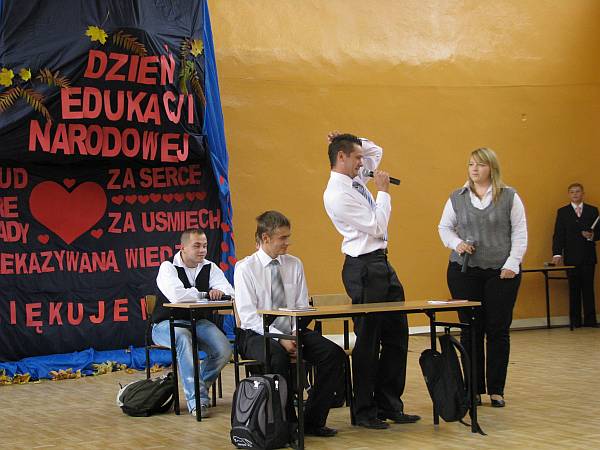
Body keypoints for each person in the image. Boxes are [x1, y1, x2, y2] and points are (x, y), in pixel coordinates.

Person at [323, 132, 420, 429]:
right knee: (368, 339)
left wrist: (350, 135)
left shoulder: (356, 179)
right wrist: (383, 192)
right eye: (356, 158)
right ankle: (365, 410)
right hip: (362, 267)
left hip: (382, 263)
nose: (362, 162)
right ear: (341, 157)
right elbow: (377, 227)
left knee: (397, 336)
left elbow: (376, 150)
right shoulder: (337, 193)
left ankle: (390, 403)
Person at [234, 210, 345, 438]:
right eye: (282, 238)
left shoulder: (294, 264)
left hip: (292, 329)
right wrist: (281, 338)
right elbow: (248, 316)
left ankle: (313, 420)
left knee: (333, 354)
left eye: (288, 237)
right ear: (266, 238)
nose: (288, 242)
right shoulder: (245, 268)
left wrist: (294, 333)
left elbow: (301, 306)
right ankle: (288, 425)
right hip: (256, 333)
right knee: (278, 357)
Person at [438, 147, 527, 408]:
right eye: (471, 164)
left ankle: (496, 390)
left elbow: (520, 232)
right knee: (470, 330)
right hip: (465, 272)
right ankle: (473, 390)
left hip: (501, 272)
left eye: (480, 164)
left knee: (498, 330)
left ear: (492, 168)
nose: (474, 169)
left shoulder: (509, 196)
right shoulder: (457, 197)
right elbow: (444, 227)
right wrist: (457, 244)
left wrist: (512, 264)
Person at [152, 228, 234, 417]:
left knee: (224, 350)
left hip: (198, 322)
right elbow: (178, 296)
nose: (202, 250)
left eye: (204, 246)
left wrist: (220, 293)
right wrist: (206, 294)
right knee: (182, 337)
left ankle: (197, 387)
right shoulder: (168, 267)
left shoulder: (210, 267)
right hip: (165, 324)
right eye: (197, 246)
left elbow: (230, 293)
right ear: (183, 247)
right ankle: (197, 400)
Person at [552, 183, 599, 328]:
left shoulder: (592, 210)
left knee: (588, 288)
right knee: (573, 288)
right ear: (569, 194)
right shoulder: (563, 212)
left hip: (588, 256)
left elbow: (598, 232)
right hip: (571, 257)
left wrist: (592, 236)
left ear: (583, 193)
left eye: (578, 191)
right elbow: (558, 234)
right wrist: (557, 253)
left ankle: (590, 320)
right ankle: (575, 320)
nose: (575, 194)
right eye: (572, 192)